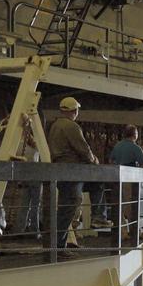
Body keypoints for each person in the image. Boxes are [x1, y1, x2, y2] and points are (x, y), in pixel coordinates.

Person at [47, 96, 97, 251]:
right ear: (74, 111)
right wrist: (94, 160)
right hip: (72, 171)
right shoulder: (72, 126)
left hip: (60, 171)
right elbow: (83, 148)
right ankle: (98, 216)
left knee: (64, 208)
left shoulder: (55, 126)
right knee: (71, 205)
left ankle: (58, 245)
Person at [108, 124, 143, 242]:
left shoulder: (117, 146)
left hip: (117, 179)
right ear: (135, 135)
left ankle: (122, 233)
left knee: (120, 206)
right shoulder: (135, 148)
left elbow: (111, 160)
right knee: (131, 206)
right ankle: (135, 231)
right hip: (130, 179)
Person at [13, 114, 42, 240]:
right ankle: (34, 231)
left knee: (24, 205)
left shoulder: (17, 146)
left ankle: (19, 229)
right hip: (35, 177)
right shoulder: (35, 145)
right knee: (36, 206)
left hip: (24, 177)